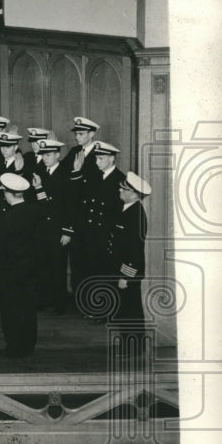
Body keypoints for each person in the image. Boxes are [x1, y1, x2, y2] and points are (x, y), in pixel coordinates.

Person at [0, 173, 42, 361]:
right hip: (30, 267)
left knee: (11, 309)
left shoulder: (8, 217)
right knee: (28, 307)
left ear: (8, 194)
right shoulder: (33, 211)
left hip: (10, 270)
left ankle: (14, 348)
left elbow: (0, 246)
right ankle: (28, 345)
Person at [71, 141, 125, 319]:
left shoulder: (120, 180)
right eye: (96, 158)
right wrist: (77, 172)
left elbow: (120, 212)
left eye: (101, 158)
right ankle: (92, 308)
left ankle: (105, 311)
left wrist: (113, 237)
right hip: (89, 233)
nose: (97, 162)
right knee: (90, 270)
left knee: (105, 272)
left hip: (105, 236)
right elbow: (80, 198)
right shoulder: (94, 176)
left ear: (111, 158)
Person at [30, 139, 74, 314]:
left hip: (57, 229)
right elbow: (37, 204)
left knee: (58, 267)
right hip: (41, 229)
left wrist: (67, 230)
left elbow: (70, 205)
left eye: (48, 155)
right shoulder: (39, 171)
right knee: (41, 266)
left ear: (58, 155)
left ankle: (59, 304)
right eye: (43, 155)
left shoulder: (65, 174)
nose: (45, 158)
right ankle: (43, 299)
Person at [110, 171, 151, 359]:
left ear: (134, 194)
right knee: (125, 309)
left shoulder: (135, 214)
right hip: (122, 270)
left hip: (128, 272)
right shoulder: (125, 209)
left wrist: (126, 275)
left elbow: (134, 249)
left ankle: (134, 347)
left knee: (131, 310)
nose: (120, 189)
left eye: (123, 188)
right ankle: (129, 345)